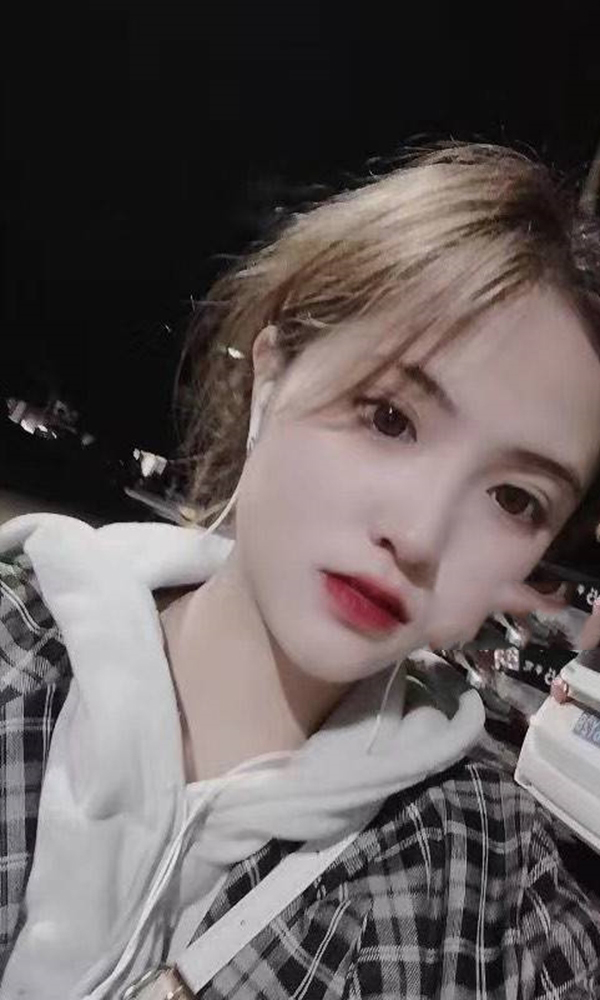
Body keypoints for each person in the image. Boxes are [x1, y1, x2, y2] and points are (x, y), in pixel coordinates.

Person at [2, 142, 600, 999]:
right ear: (272, 377)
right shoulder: (19, 644)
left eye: (514, 499)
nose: (418, 535)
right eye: (389, 417)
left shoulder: (490, 886)